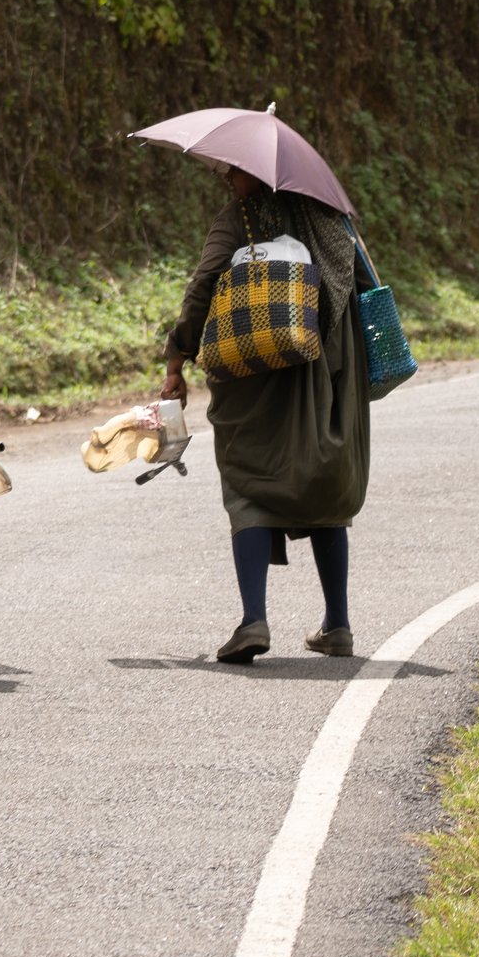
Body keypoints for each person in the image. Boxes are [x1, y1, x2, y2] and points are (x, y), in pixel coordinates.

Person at [159, 167, 370, 663]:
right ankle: (336, 624)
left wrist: (177, 358)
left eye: (233, 171)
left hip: (251, 372)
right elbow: (362, 286)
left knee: (248, 478)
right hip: (325, 372)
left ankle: (254, 620)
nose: (225, 177)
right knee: (321, 479)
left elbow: (205, 283)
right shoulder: (331, 220)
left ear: (258, 173)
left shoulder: (241, 219)